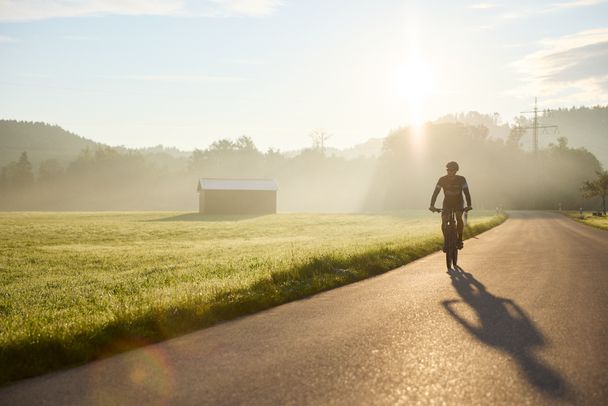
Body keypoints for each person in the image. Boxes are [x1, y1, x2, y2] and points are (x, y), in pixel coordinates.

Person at [429, 161, 472, 250]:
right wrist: (432, 205)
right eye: (448, 170)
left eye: (452, 170)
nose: (450, 172)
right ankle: (446, 241)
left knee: (458, 217)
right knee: (444, 220)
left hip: (458, 202)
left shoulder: (461, 179)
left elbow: (466, 192)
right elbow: (435, 193)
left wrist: (469, 205)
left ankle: (459, 239)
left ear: (456, 171)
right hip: (447, 203)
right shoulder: (442, 179)